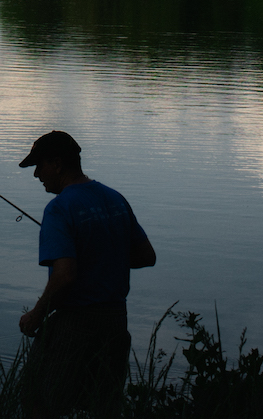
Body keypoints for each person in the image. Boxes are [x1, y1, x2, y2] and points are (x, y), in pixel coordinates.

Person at [17, 130, 155, 418]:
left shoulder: (59, 209)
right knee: (103, 408)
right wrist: (102, 258)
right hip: (116, 323)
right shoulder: (115, 199)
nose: (36, 175)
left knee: (39, 402)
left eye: (38, 167)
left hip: (75, 325)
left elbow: (65, 276)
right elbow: (145, 256)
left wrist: (36, 315)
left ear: (57, 164)